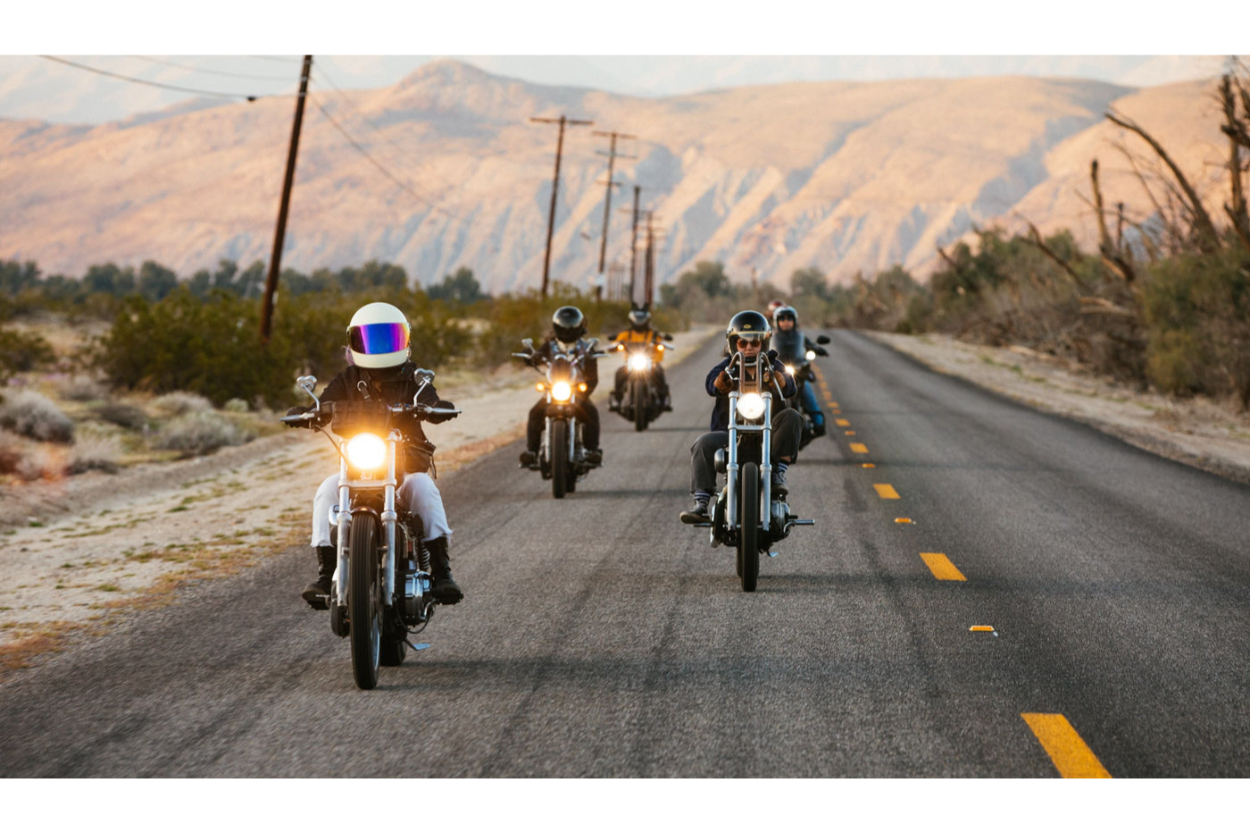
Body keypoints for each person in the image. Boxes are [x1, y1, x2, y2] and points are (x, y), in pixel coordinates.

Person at [290, 302, 464, 609]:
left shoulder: (412, 378)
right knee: (326, 490)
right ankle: (325, 572)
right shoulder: (349, 378)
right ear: (356, 343)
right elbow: (326, 402)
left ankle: (442, 572)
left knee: (424, 488)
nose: (381, 347)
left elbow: (429, 398)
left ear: (405, 342)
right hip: (359, 465)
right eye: (373, 339)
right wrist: (309, 412)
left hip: (404, 466)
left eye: (389, 339)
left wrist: (436, 408)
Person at [679, 310, 803, 523]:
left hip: (767, 435)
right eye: (742, 343)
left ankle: (778, 473)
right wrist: (719, 383)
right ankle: (701, 502)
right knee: (702, 443)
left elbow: (791, 386)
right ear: (733, 343)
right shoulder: (727, 367)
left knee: (792, 416)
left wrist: (781, 381)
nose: (748, 348)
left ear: (763, 343)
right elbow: (711, 383)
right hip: (731, 435)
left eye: (754, 343)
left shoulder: (774, 365)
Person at [518, 305, 603, 468]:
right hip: (553, 391)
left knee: (591, 413)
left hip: (577, 393)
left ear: (579, 326)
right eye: (564, 324)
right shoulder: (550, 346)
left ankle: (593, 451)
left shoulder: (586, 348)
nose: (567, 329)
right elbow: (537, 357)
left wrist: (585, 393)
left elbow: (593, 377)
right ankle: (532, 452)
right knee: (535, 413)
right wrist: (530, 357)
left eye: (570, 325)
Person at [771, 305, 828, 437]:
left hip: (798, 371)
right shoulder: (771, 337)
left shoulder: (800, 336)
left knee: (807, 389)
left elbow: (810, 345)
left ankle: (817, 420)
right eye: (782, 319)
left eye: (789, 319)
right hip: (778, 373)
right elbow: (762, 348)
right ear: (776, 321)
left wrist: (817, 348)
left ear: (794, 321)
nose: (786, 322)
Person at [607, 306, 672, 412]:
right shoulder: (626, 334)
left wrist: (662, 344)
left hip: (651, 363)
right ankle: (617, 400)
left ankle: (663, 399)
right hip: (631, 363)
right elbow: (615, 343)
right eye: (637, 320)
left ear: (647, 321)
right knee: (619, 373)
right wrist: (615, 346)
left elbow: (662, 341)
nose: (639, 323)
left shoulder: (654, 334)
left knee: (659, 372)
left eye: (642, 320)